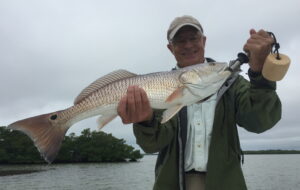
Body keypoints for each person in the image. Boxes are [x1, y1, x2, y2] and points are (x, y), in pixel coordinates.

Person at [117, 15, 281, 190]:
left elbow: (260, 122)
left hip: (226, 183)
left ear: (204, 40)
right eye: (180, 41)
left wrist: (259, 74)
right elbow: (152, 145)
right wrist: (145, 121)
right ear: (170, 48)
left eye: (193, 38)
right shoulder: (158, 90)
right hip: (172, 184)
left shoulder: (232, 82)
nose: (188, 45)